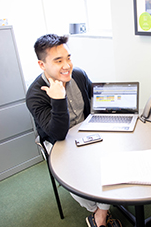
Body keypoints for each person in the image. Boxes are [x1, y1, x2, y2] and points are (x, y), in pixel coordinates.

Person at [26, 34, 121, 227]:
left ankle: (100, 215)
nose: (67, 65)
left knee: (115, 156)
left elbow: (98, 97)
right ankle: (99, 210)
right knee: (72, 174)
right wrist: (58, 99)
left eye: (68, 58)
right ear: (42, 65)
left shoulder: (78, 74)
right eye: (58, 60)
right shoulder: (35, 95)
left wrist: (120, 106)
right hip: (58, 142)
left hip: (87, 132)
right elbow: (58, 134)